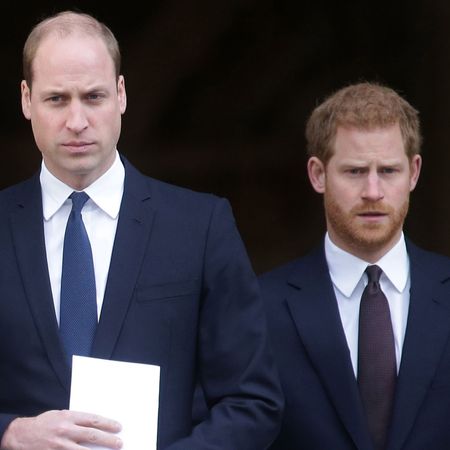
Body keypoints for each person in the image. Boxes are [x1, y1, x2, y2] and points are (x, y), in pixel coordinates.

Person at [0, 10, 283, 450]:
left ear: (121, 94)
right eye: (57, 99)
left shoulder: (200, 227)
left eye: (93, 97)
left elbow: (252, 401)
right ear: (25, 99)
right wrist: (9, 432)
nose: (76, 121)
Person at [260, 82, 450, 450]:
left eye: (389, 171)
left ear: (414, 172)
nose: (373, 192)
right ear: (318, 174)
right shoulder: (261, 308)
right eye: (355, 172)